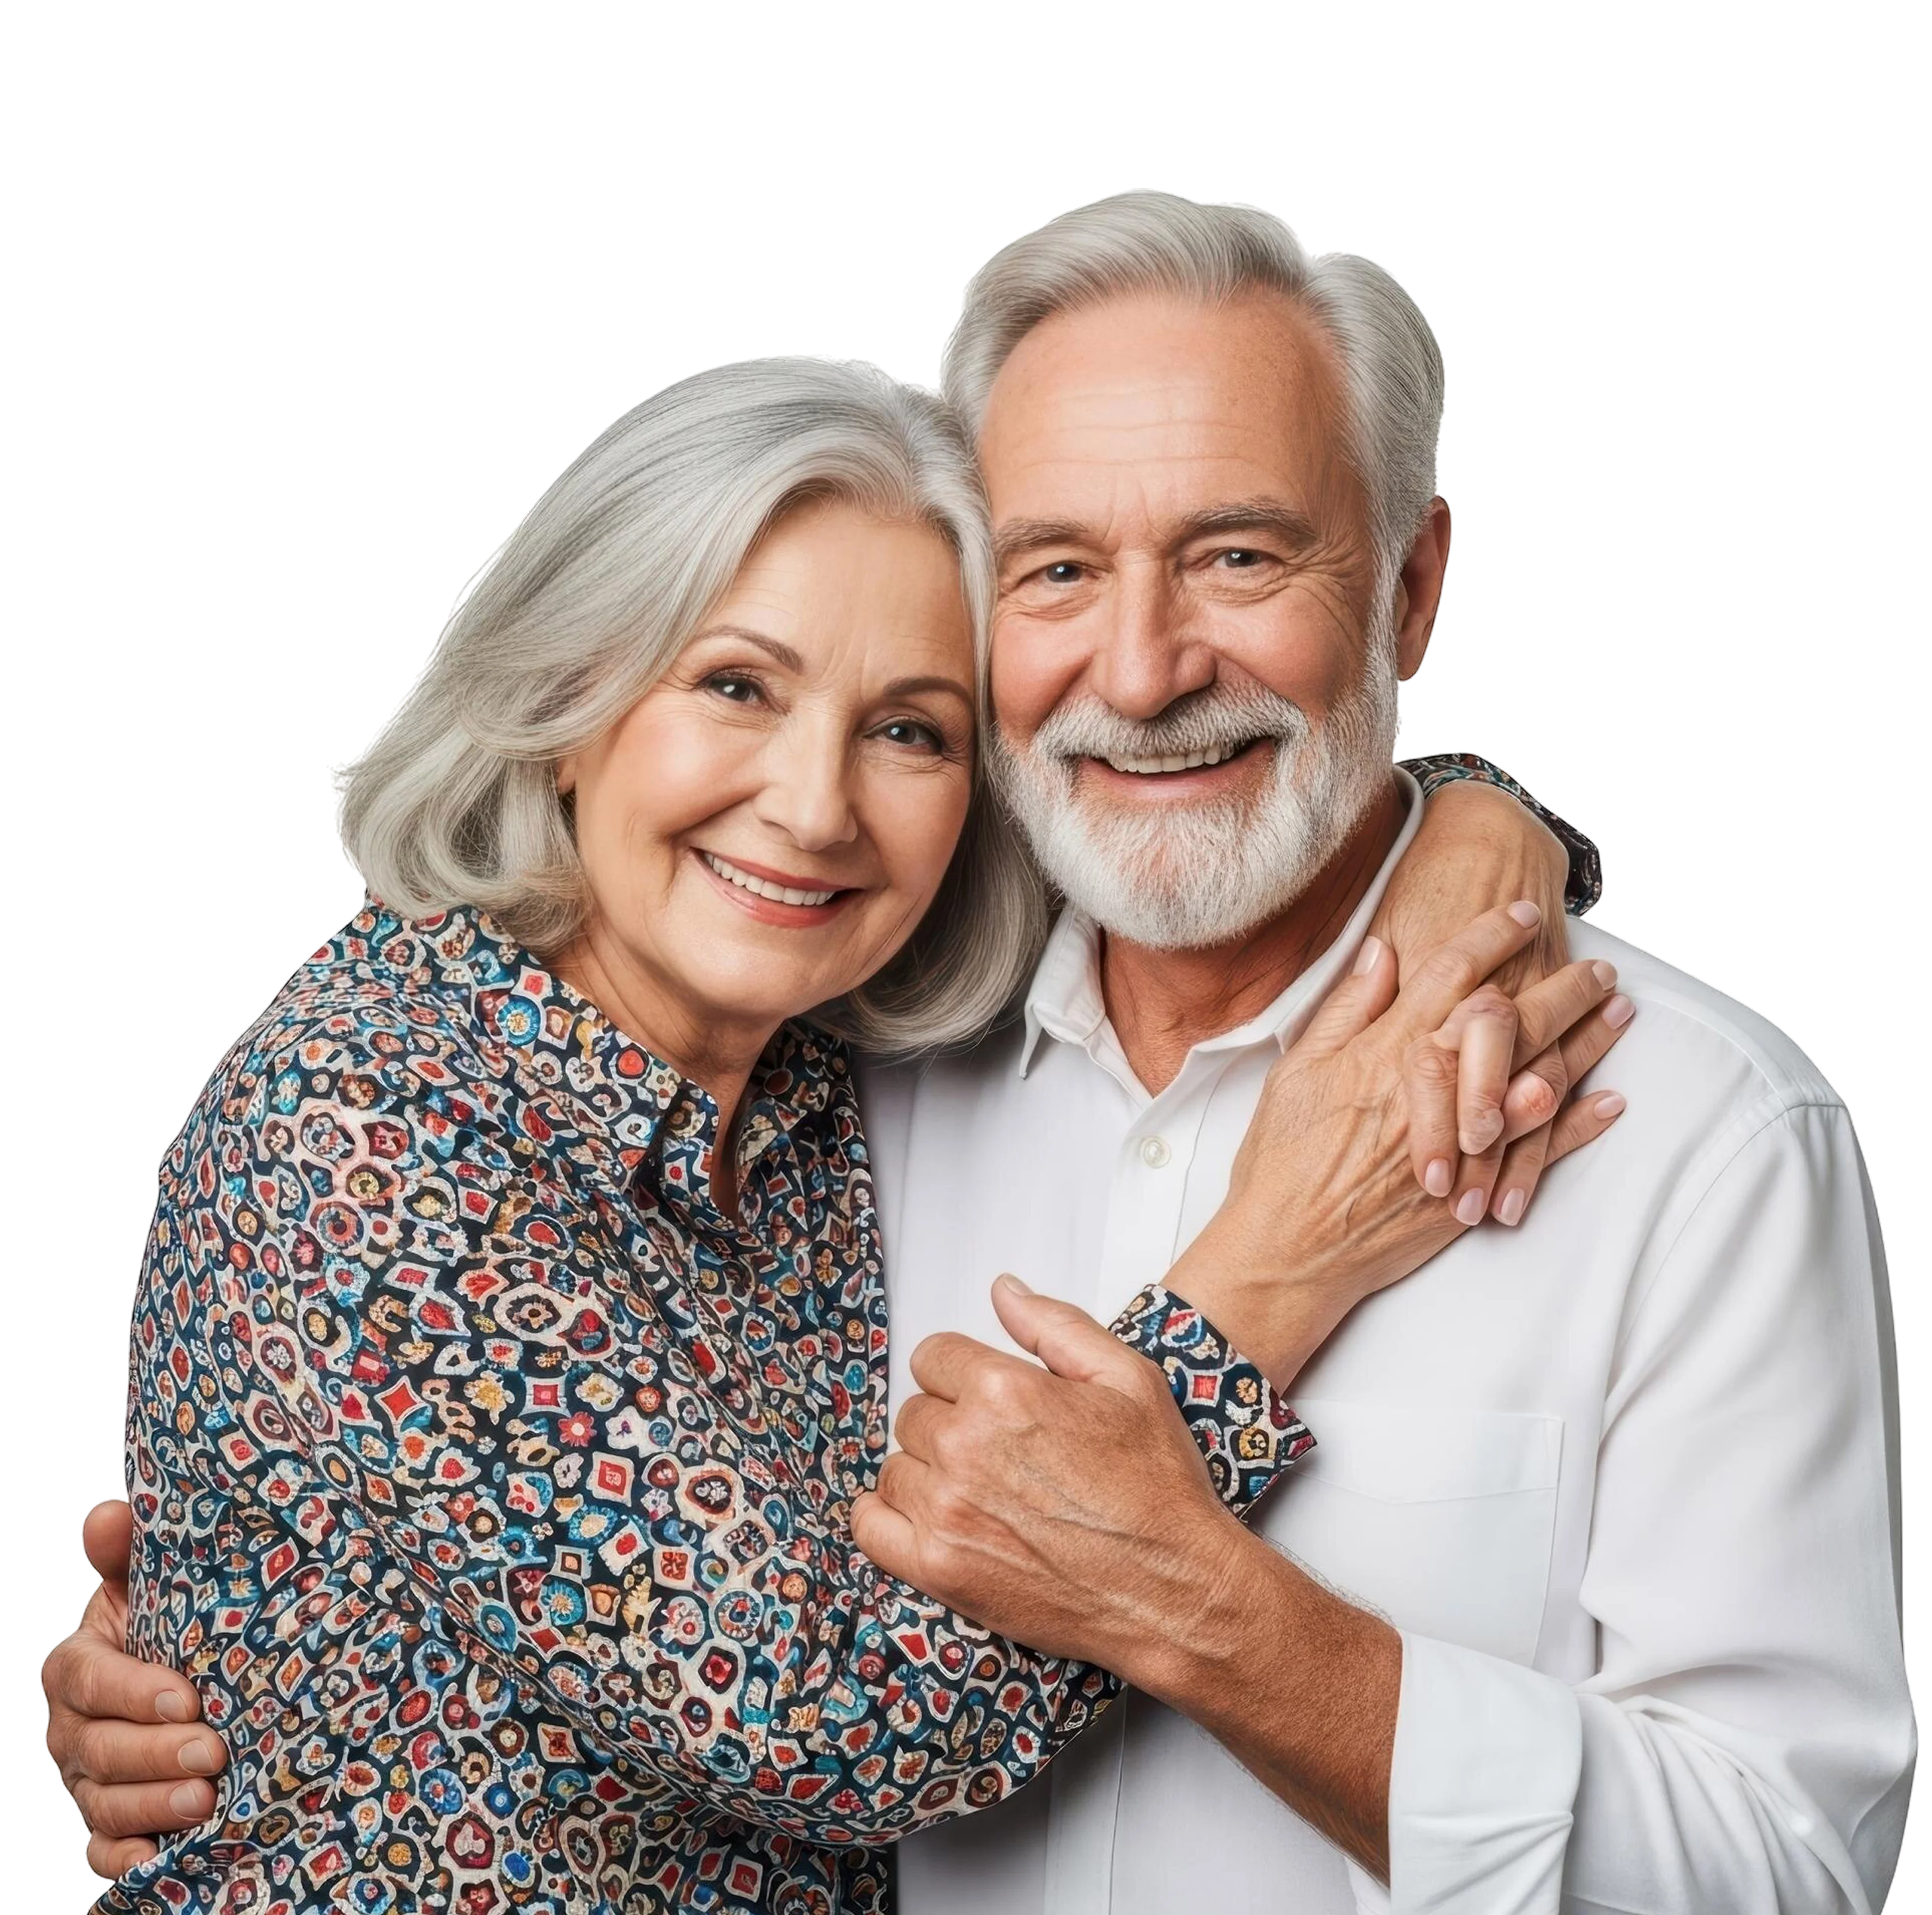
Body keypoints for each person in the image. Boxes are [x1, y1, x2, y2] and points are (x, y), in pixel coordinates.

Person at [50, 342, 1622, 1914]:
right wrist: (1274, 1265)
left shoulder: (820, 1086)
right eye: (734, 684)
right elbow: (827, 1722)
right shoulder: (362, 1114)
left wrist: (1474, 827)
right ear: (568, 698)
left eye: (911, 731)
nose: (813, 806)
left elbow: (1179, 777)